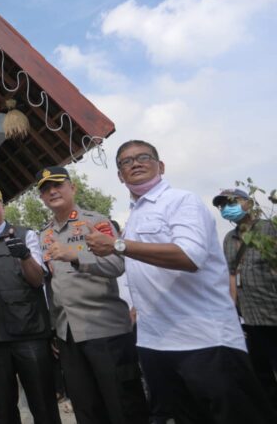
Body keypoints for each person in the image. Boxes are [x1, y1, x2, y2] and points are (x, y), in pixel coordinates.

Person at [86, 140, 276, 424]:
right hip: (156, 342)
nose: (135, 163)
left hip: (204, 340)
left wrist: (118, 245)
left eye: (143, 157)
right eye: (126, 162)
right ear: (119, 176)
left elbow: (189, 256)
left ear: (160, 166)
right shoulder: (135, 214)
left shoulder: (181, 201)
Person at [37, 166, 148, 424]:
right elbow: (54, 284)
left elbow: (116, 266)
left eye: (58, 185)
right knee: (86, 409)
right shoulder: (45, 234)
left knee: (123, 406)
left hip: (105, 330)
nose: (52, 191)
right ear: (42, 198)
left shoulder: (95, 222)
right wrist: (56, 328)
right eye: (45, 189)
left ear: (72, 188)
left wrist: (75, 255)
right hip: (68, 335)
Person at [0, 185, 61, 424]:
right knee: (3, 410)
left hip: (29, 333)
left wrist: (25, 257)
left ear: (3, 206)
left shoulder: (25, 234)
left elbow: (37, 279)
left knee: (43, 404)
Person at [213, 187, 277, 411]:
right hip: (249, 318)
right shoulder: (229, 239)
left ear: (249, 203)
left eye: (232, 202)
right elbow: (231, 274)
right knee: (261, 376)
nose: (226, 208)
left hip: (273, 313)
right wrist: (231, 312)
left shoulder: (270, 229)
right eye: (222, 205)